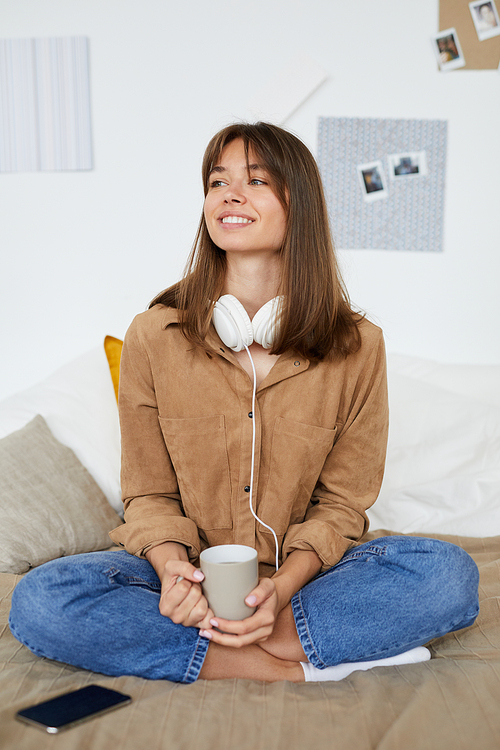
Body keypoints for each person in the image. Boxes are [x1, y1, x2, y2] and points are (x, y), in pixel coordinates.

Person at [9, 122, 479, 684]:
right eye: (217, 181)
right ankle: (287, 666)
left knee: (447, 575)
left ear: (297, 204)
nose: (229, 194)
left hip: (306, 580)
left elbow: (343, 506)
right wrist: (173, 573)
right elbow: (149, 493)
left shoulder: (358, 346)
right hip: (186, 574)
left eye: (256, 180)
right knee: (41, 599)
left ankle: (243, 642)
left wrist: (280, 591)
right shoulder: (154, 335)